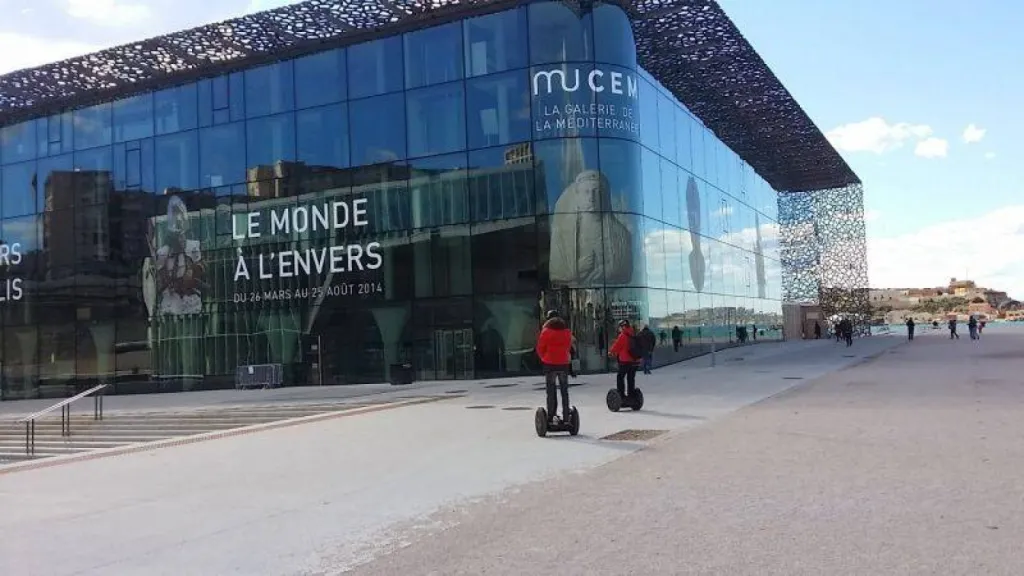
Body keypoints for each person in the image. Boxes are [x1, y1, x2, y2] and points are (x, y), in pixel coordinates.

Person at [536, 310, 574, 425]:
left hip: (550, 364)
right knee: (564, 391)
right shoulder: (567, 331)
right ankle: (566, 417)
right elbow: (569, 346)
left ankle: (551, 416)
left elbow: (540, 348)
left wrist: (544, 358)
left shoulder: (546, 331)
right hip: (563, 364)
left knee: (551, 391)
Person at [609, 320, 640, 402]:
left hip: (625, 361)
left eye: (619, 327)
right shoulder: (634, 334)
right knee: (631, 378)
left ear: (622, 327)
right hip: (635, 361)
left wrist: (611, 352)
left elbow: (617, 346)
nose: (619, 329)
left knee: (620, 377)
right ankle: (631, 396)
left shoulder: (623, 335)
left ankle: (622, 395)